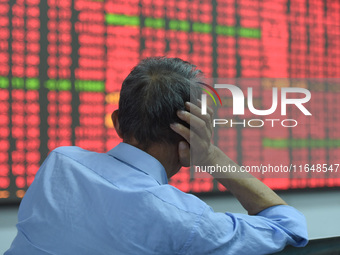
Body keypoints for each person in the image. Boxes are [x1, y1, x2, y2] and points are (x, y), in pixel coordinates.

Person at [6, 57, 308, 254]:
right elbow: (287, 226)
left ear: (117, 123)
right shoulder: (184, 219)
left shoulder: (59, 164)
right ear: (189, 139)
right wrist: (212, 157)